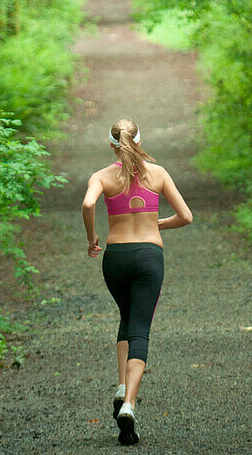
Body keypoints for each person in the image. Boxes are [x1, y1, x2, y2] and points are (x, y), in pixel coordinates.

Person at [82, 118, 193, 446]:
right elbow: (186, 216)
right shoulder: (157, 174)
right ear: (139, 142)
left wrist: (92, 238)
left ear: (111, 145)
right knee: (140, 328)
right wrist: (156, 224)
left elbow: (89, 203)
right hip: (148, 257)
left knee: (126, 318)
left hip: (115, 258)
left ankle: (120, 385)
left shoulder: (102, 176)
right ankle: (128, 403)